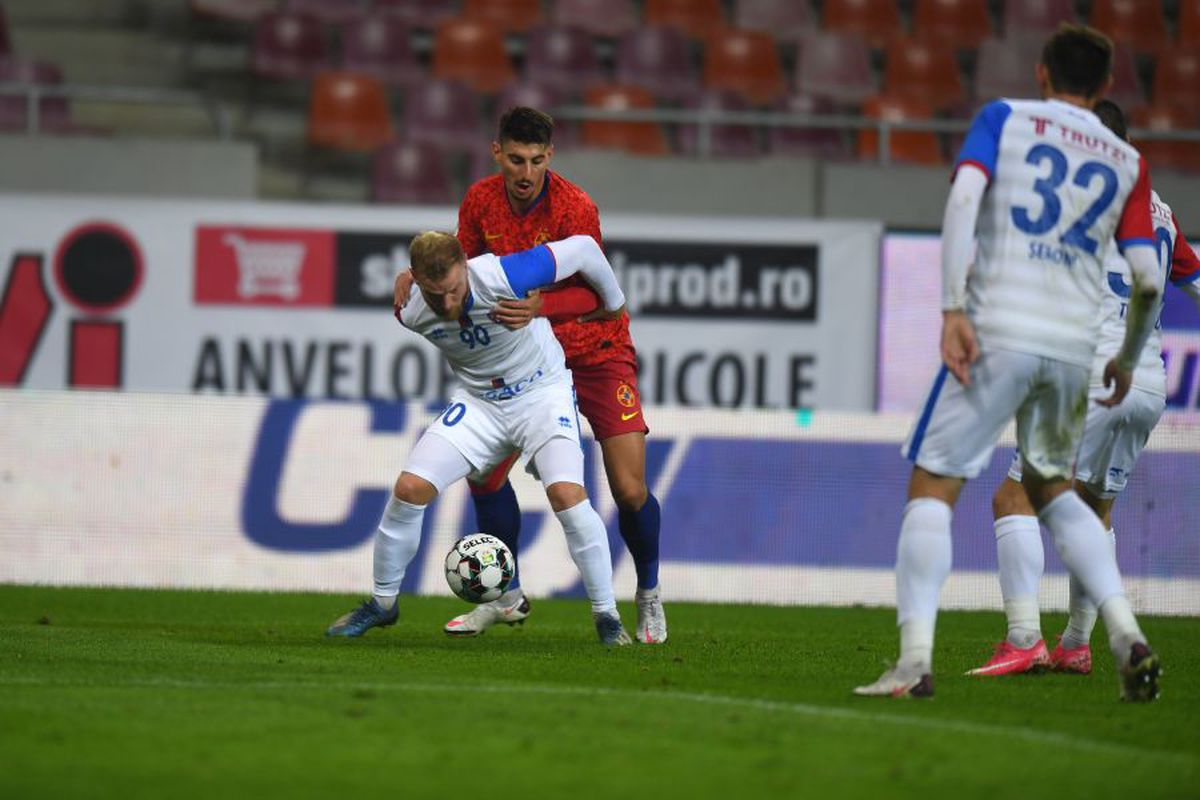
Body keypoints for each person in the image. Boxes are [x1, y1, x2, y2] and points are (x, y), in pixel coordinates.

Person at [854, 25, 1164, 701]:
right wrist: (1128, 357)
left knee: (934, 484)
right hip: (1074, 351)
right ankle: (1123, 635)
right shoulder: (1128, 163)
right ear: (1107, 85)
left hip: (999, 329)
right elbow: (1147, 277)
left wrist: (952, 306)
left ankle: (913, 663)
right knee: (1056, 491)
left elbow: (964, 198)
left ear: (1044, 74)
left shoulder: (1005, 118)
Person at [394, 107, 666, 643]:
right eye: (516, 159)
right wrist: (418, 275)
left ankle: (649, 594)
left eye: (536, 161)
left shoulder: (574, 207)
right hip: (526, 362)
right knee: (483, 474)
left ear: (550, 158)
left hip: (595, 348)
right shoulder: (479, 201)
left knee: (630, 489)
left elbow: (596, 292)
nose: (525, 172)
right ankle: (505, 595)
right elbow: (461, 275)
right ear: (497, 152)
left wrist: (539, 308)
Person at [967, 100, 1200, 677]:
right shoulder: (1161, 213)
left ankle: (1023, 637)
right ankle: (1075, 643)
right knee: (1094, 510)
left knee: (1014, 497)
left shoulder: (1077, 198)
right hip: (1145, 382)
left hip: (1085, 375)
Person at [327, 232, 634, 645]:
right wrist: (410, 281)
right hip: (480, 405)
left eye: (454, 289)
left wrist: (613, 302)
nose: (449, 304)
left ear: (466, 266)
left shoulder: (503, 275)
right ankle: (383, 604)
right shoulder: (411, 309)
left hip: (541, 393)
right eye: (437, 295)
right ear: (417, 281)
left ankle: (607, 616)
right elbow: (423, 293)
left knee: (566, 494)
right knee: (409, 488)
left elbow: (582, 248)